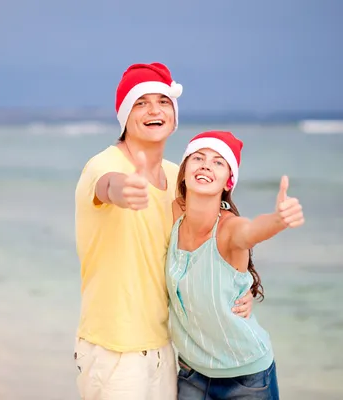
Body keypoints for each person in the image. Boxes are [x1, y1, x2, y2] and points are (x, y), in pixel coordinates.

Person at [73, 63, 254, 400]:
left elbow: (215, 236)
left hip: (167, 350)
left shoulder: (178, 179)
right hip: (115, 351)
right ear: (125, 115)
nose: (154, 109)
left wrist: (241, 288)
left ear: (174, 116)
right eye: (141, 103)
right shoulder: (104, 165)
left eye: (163, 101)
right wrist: (124, 189)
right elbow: (107, 186)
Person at [166, 130, 305, 399]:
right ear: (183, 172)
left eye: (218, 162)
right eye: (198, 158)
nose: (206, 164)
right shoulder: (174, 214)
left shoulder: (229, 230)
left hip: (246, 379)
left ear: (228, 181)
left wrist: (279, 220)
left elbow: (252, 230)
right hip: (191, 373)